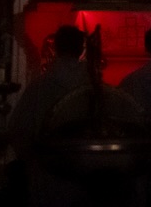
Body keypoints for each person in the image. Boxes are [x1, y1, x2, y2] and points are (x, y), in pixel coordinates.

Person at [7, 25, 89, 158]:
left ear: (55, 48)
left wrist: (33, 160)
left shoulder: (39, 87)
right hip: (85, 163)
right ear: (81, 49)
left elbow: (17, 129)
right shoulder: (95, 88)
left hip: (47, 163)